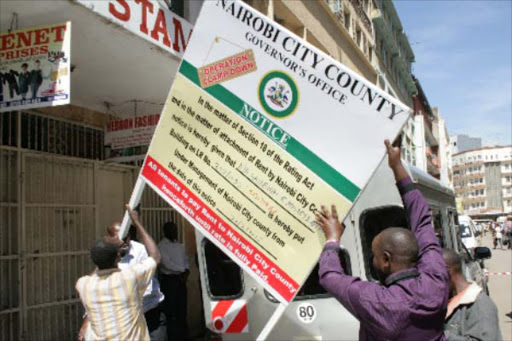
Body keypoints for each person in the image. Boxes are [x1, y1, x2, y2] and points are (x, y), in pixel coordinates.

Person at [316, 138, 450, 340]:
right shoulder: (436, 279)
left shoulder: (378, 301)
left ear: (386, 260)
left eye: (375, 256)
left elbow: (330, 276)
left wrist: (332, 239)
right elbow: (422, 221)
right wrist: (397, 167)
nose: (373, 260)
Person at [76, 205, 161, 340]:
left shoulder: (83, 284)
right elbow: (155, 256)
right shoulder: (129, 278)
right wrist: (137, 222)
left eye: (125, 235)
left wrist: (108, 252)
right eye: (116, 237)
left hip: (150, 310)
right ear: (117, 257)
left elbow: (97, 270)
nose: (122, 240)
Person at [443, 249, 502, 340]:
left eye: (432, 275)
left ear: (446, 271)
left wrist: (440, 336)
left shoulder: (480, 305)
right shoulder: (442, 301)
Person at [158, 221, 190, 341]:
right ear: (166, 231)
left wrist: (186, 270)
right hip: (169, 281)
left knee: (182, 310)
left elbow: (185, 259)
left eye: (176, 230)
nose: (175, 232)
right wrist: (182, 270)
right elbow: (166, 264)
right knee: (170, 312)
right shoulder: (162, 246)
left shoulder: (178, 245)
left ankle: (183, 337)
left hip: (181, 281)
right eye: (173, 230)